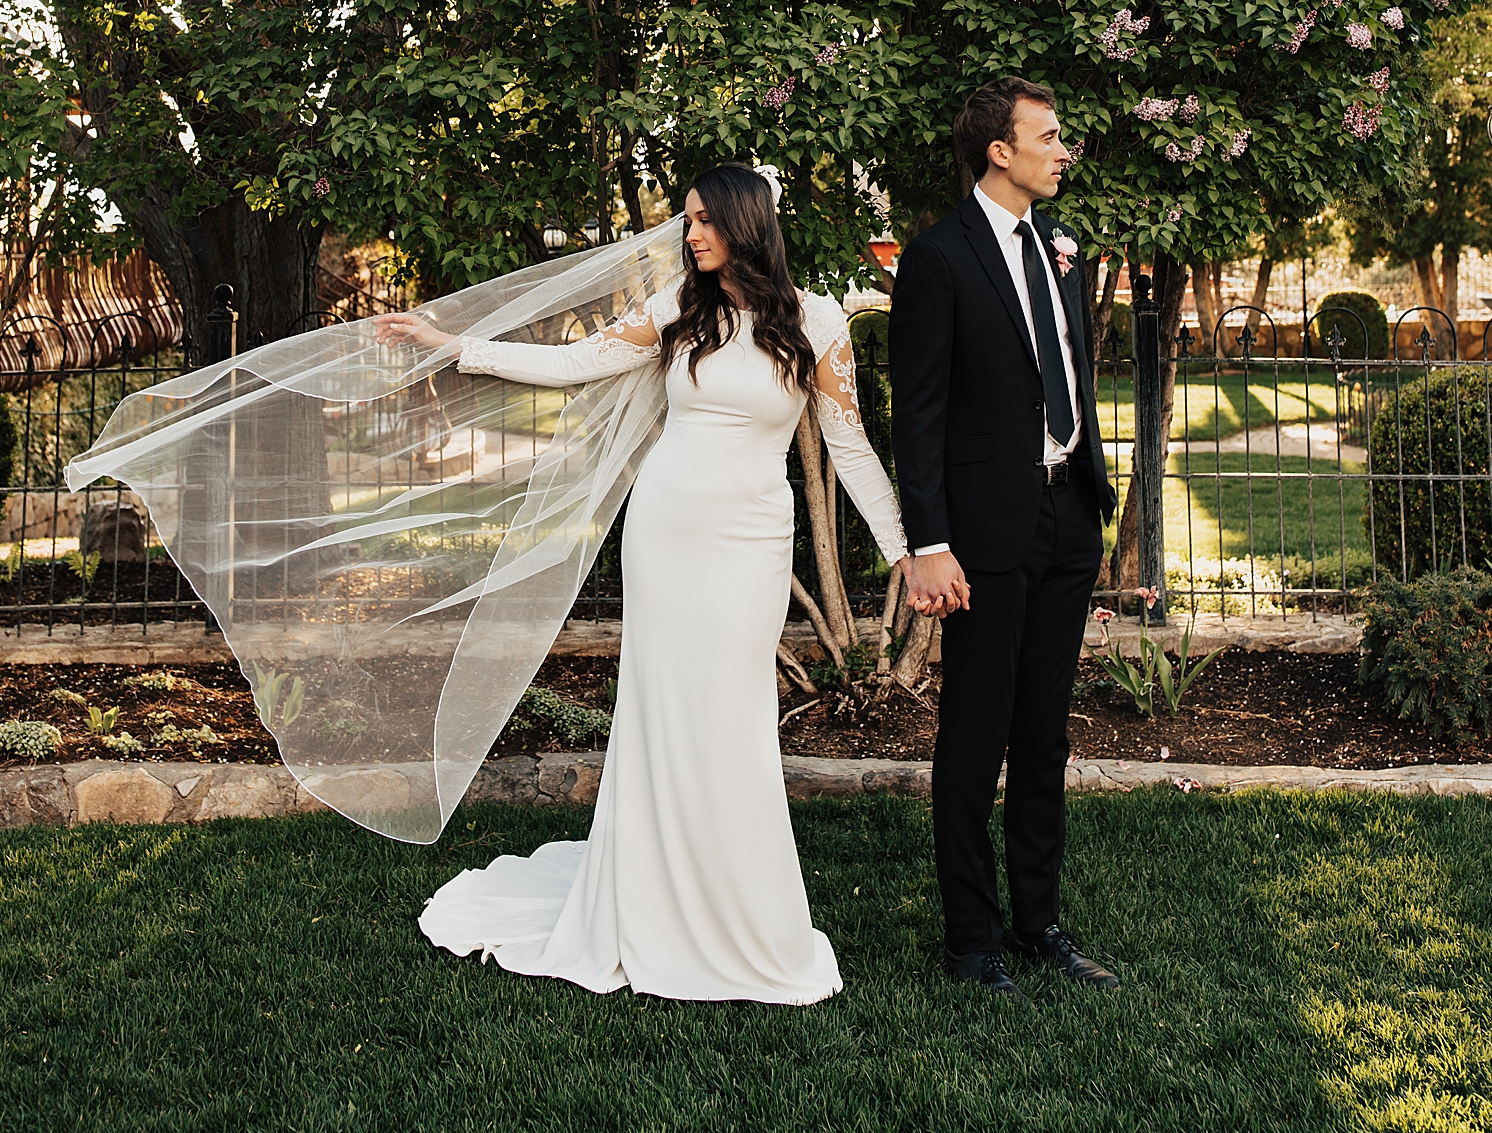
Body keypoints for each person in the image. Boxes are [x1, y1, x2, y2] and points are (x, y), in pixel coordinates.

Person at [378, 161, 914, 1005]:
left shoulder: (816, 321)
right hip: (667, 531)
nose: (690, 233)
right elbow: (579, 363)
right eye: (689, 219)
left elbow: (849, 448)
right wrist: (458, 349)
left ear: (747, 223)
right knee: (661, 707)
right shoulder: (681, 310)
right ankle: (650, 898)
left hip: (752, 541)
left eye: (704, 220)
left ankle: (740, 908)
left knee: (732, 712)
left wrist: (905, 550)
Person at [889, 79, 1121, 998]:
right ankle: (970, 939)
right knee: (974, 739)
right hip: (981, 534)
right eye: (1049, 136)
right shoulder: (938, 258)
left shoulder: (1060, 249)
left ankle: (1038, 923)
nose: (1063, 151)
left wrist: (1090, 497)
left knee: (1043, 735)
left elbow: (1062, 372)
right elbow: (921, 416)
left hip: (1067, 517)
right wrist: (930, 541)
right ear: (999, 149)